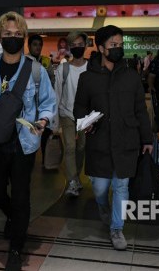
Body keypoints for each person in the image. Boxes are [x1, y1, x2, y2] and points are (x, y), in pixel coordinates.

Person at [0, 11, 56, 271]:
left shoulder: (36, 70)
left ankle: (16, 248)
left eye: (18, 34)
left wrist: (43, 121)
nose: (13, 38)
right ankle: (12, 217)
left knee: (21, 196)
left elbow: (48, 104)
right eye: (8, 34)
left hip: (24, 142)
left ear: (25, 38)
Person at [73, 25, 153, 250]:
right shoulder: (88, 78)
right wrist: (86, 124)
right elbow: (79, 108)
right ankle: (102, 206)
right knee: (99, 188)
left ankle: (117, 229)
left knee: (121, 187)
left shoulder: (131, 76)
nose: (118, 49)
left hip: (127, 140)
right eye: (113, 45)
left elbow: (140, 110)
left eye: (120, 45)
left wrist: (146, 139)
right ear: (101, 48)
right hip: (99, 141)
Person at [54, 31, 88, 197]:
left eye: (80, 45)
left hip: (86, 116)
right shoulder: (63, 68)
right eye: (73, 45)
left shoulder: (91, 68)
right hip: (67, 113)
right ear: (69, 48)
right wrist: (55, 121)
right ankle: (73, 181)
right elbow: (57, 93)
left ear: (86, 45)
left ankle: (75, 177)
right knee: (70, 147)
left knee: (81, 147)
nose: (77, 48)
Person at [27, 34, 55, 167]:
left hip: (43, 103)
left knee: (45, 133)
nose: (37, 47)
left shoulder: (46, 61)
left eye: (40, 45)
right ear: (29, 46)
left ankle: (45, 160)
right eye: (34, 44)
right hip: (29, 105)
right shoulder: (24, 61)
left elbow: (52, 81)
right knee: (29, 134)